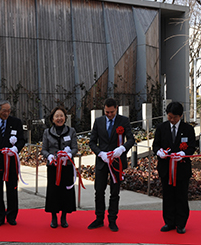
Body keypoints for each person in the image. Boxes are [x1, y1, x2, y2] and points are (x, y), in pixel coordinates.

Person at [88, 98, 135, 232]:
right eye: (107, 112)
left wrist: (122, 149)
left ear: (116, 108)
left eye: (112, 112)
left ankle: (112, 220)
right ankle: (99, 218)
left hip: (117, 162)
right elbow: (92, 142)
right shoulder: (98, 121)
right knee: (99, 191)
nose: (109, 115)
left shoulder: (123, 121)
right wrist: (100, 153)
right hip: (102, 162)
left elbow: (131, 139)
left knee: (115, 192)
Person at [152, 101, 196, 234]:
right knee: (168, 196)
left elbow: (192, 147)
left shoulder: (188, 129)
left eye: (174, 117)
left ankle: (181, 223)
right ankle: (169, 222)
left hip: (181, 169)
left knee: (181, 196)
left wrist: (183, 154)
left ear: (180, 116)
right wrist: (160, 152)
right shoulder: (161, 128)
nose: (171, 120)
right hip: (166, 168)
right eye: (169, 116)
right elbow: (156, 145)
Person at [41, 106, 78, 228]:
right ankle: (53, 217)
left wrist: (69, 154)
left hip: (67, 167)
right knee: (53, 192)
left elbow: (75, 148)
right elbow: (44, 150)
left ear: (65, 118)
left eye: (61, 116)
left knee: (66, 192)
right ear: (52, 119)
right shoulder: (47, 132)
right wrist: (50, 156)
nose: (59, 118)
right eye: (56, 116)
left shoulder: (71, 131)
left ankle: (64, 217)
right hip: (53, 167)